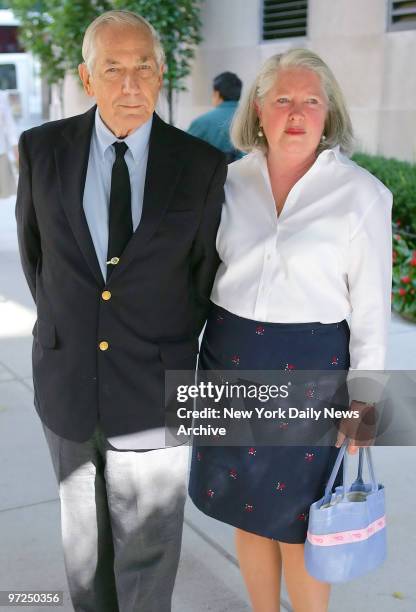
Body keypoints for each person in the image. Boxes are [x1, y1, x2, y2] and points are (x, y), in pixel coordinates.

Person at [16, 10, 226, 612]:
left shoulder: (201, 165)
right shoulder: (40, 150)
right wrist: (71, 325)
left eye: (144, 68)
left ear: (162, 76)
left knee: (150, 550)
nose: (131, 84)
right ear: (88, 78)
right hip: (67, 382)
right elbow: (38, 260)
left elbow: (203, 275)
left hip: (158, 384)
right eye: (114, 69)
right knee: (84, 554)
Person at [189, 49, 392, 612]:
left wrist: (365, 400)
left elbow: (372, 311)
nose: (296, 113)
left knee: (303, 523)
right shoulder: (227, 183)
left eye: (310, 101)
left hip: (312, 373)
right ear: (258, 108)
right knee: (244, 508)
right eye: (282, 99)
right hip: (228, 360)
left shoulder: (361, 196)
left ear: (329, 113)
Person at [188, 71, 243, 163]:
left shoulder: (202, 122)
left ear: (217, 94)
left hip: (210, 174)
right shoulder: (253, 120)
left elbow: (185, 152)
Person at [0, 89, 18, 198]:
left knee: (3, 193)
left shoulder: (1, 96)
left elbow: (9, 124)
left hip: (1, 153)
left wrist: (15, 146)